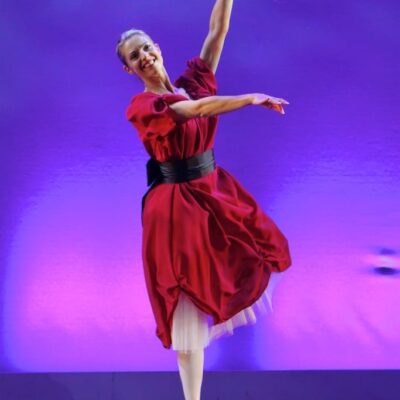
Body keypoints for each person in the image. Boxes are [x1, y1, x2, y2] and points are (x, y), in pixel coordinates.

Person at [117, 1, 291, 399]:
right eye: (135, 56)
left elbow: (217, 32)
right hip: (176, 208)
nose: (145, 57)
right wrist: (250, 98)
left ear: (158, 47)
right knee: (186, 302)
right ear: (129, 69)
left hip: (211, 191)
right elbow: (196, 110)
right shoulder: (144, 106)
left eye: (146, 48)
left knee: (254, 251)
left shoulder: (192, 83)